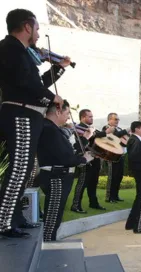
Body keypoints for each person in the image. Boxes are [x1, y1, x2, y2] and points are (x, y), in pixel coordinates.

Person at [0, 9, 71, 238]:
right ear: (27, 27)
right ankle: (3, 221)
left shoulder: (20, 52)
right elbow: (26, 86)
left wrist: (58, 69)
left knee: (26, 168)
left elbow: (37, 83)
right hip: (20, 114)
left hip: (28, 114)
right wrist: (52, 98)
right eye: (37, 28)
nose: (39, 34)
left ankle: (14, 217)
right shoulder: (10, 49)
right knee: (20, 167)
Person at [37, 100, 93, 241]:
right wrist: (84, 159)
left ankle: (49, 243)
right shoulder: (49, 130)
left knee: (55, 216)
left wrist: (84, 141)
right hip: (56, 178)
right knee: (52, 217)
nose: (68, 117)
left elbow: (69, 152)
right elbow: (67, 158)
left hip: (58, 176)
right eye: (67, 113)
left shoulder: (52, 129)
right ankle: (48, 246)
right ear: (58, 112)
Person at [71, 109, 112, 213]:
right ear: (83, 117)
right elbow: (86, 141)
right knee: (82, 182)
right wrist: (104, 133)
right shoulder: (78, 129)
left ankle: (93, 203)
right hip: (86, 159)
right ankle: (75, 205)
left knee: (93, 182)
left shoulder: (92, 128)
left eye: (92, 116)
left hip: (96, 159)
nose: (92, 118)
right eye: (90, 117)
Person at [103, 113, 130, 203]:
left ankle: (115, 195)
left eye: (118, 119)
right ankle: (109, 197)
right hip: (111, 156)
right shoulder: (106, 128)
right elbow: (115, 136)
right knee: (112, 176)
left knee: (119, 176)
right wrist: (126, 130)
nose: (117, 121)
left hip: (121, 155)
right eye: (115, 119)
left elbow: (123, 140)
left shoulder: (119, 129)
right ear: (109, 119)